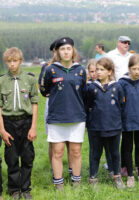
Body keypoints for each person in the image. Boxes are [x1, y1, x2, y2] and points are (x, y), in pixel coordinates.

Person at [40, 37, 86, 189]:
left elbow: (84, 93)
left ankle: (76, 182)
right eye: (62, 49)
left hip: (77, 117)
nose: (66, 52)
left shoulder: (80, 70)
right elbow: (45, 90)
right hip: (57, 117)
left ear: (73, 50)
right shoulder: (50, 70)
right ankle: (58, 184)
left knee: (76, 152)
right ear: (58, 52)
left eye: (68, 48)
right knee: (57, 152)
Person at [0, 47, 39, 199]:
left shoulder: (29, 79)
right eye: (9, 61)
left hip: (26, 122)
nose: (12, 64)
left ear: (21, 61)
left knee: (28, 157)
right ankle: (14, 189)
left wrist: (33, 127)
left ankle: (25, 188)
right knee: (12, 158)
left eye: (15, 61)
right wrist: (2, 130)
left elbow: (35, 103)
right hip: (9, 122)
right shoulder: (2, 81)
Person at [86, 57, 125, 189]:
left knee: (114, 153)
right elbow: (88, 105)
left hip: (114, 126)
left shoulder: (117, 87)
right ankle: (93, 178)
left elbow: (121, 105)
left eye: (102, 70)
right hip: (95, 127)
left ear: (109, 71)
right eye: (97, 69)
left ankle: (117, 177)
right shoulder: (91, 87)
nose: (98, 72)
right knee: (95, 153)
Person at [119, 54, 139, 188]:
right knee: (127, 148)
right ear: (129, 68)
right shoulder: (122, 82)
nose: (137, 72)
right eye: (134, 69)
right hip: (126, 120)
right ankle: (130, 176)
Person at [86, 59, 113, 179]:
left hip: (109, 124)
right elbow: (87, 104)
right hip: (94, 124)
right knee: (95, 150)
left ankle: (112, 171)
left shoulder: (111, 86)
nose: (94, 73)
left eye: (96, 70)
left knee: (110, 149)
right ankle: (93, 176)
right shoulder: (88, 87)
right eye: (92, 71)